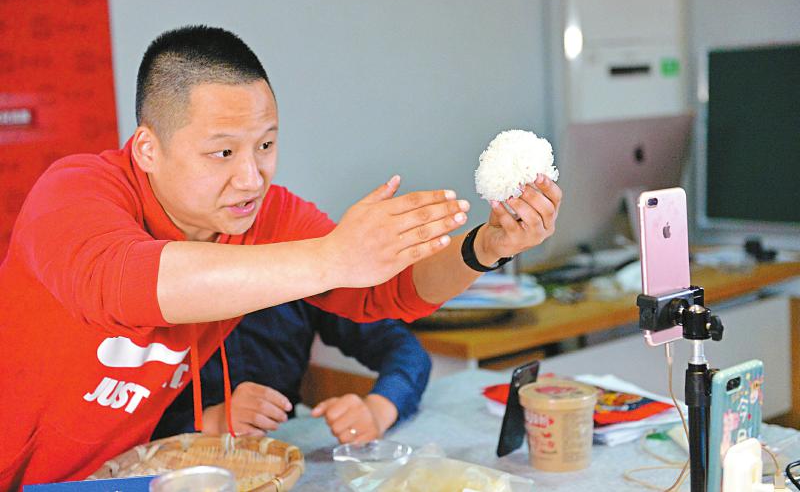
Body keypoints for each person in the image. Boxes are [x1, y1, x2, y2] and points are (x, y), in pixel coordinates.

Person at [0, 25, 561, 489]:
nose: (251, 177)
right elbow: (124, 283)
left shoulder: (264, 215)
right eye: (222, 152)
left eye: (266, 145)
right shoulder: (76, 189)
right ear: (149, 148)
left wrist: (484, 248)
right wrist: (332, 257)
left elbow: (379, 294)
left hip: (111, 477)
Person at [152, 301, 431, 444]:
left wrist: (378, 410)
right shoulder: (140, 272)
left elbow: (404, 349)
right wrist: (211, 422)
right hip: (169, 467)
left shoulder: (294, 269)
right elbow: (111, 435)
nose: (248, 186)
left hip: (284, 454)